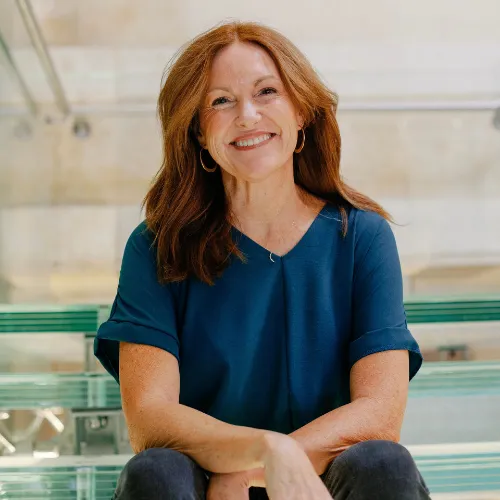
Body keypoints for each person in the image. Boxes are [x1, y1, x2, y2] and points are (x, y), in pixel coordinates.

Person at [94, 21, 430, 500]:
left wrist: (253, 471)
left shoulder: (362, 237)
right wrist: (264, 451)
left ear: (302, 113)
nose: (247, 115)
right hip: (206, 489)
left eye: (267, 92)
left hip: (323, 487)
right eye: (220, 101)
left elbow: (380, 413)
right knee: (156, 471)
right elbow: (150, 418)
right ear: (198, 133)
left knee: (382, 462)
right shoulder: (155, 247)